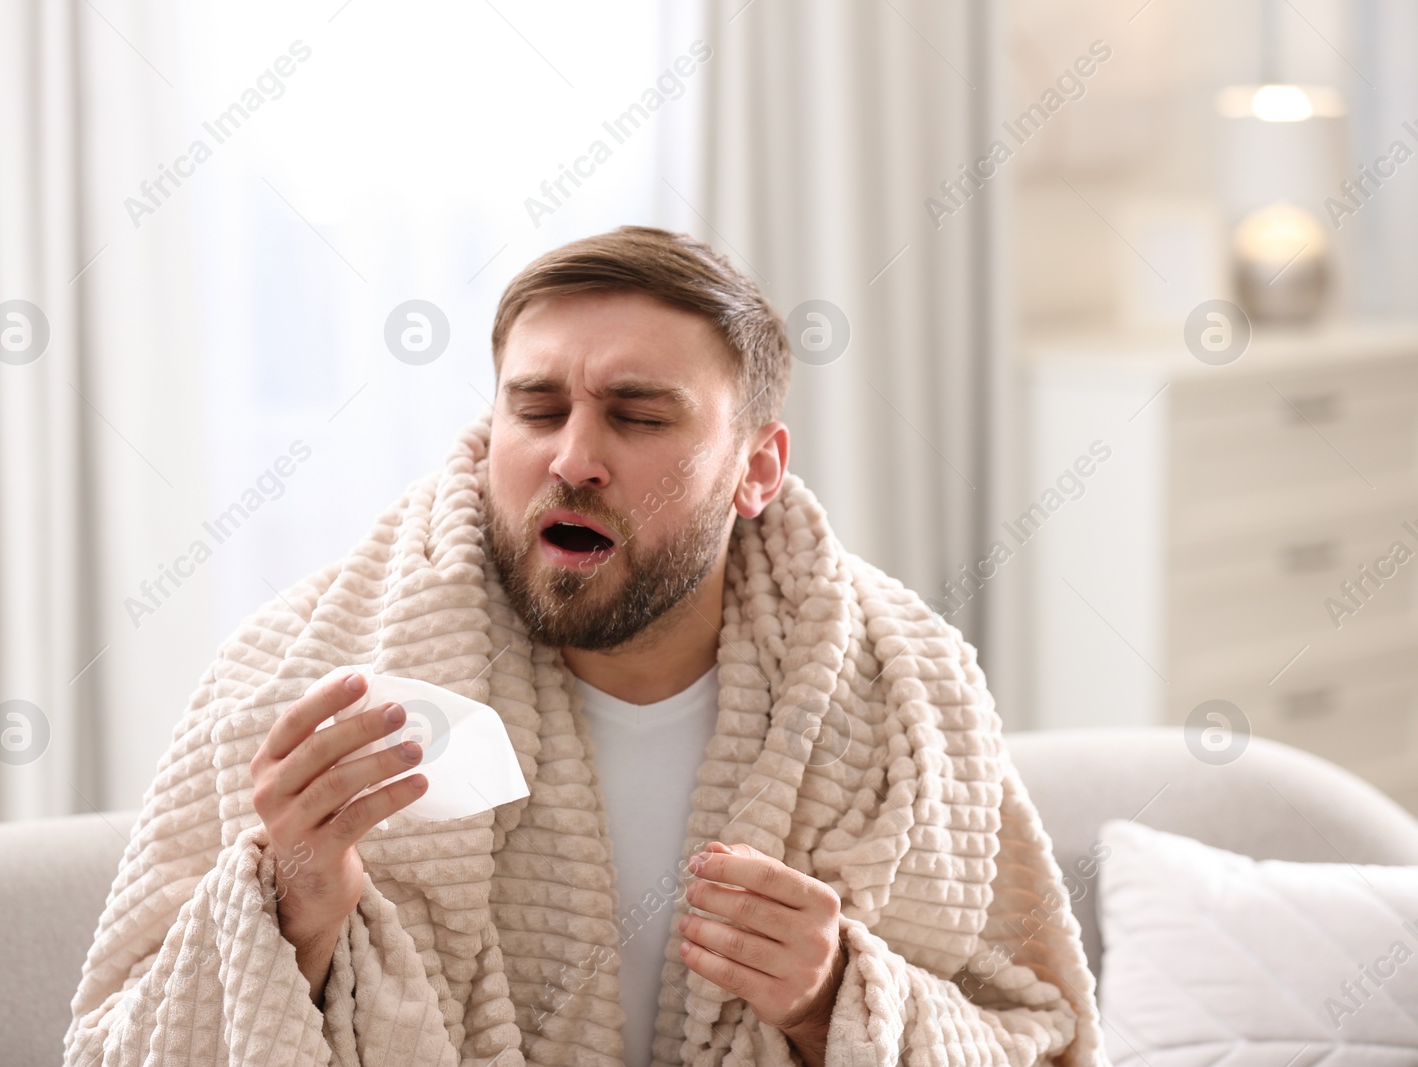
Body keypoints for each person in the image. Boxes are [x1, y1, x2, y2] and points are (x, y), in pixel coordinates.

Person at [64, 226, 1108, 1067]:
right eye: (536, 408)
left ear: (756, 468)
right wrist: (288, 904)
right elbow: (114, 1048)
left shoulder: (906, 695)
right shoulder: (297, 676)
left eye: (637, 415)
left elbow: (1044, 1039)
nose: (572, 458)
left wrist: (833, 997)